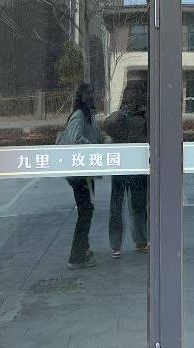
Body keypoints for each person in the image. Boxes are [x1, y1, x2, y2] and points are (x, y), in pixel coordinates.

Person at [103, 81, 149, 258]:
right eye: (129, 93)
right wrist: (121, 115)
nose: (132, 97)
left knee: (138, 206)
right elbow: (107, 127)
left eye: (136, 93)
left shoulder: (146, 115)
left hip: (137, 165)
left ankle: (141, 241)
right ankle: (115, 245)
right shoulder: (119, 115)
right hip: (121, 165)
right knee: (116, 206)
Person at [59, 83, 101, 270]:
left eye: (92, 92)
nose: (91, 95)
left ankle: (83, 248)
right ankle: (76, 257)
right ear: (80, 95)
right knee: (85, 212)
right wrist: (94, 148)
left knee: (87, 209)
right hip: (80, 172)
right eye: (87, 92)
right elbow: (76, 138)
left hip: (86, 170)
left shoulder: (88, 114)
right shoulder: (79, 115)